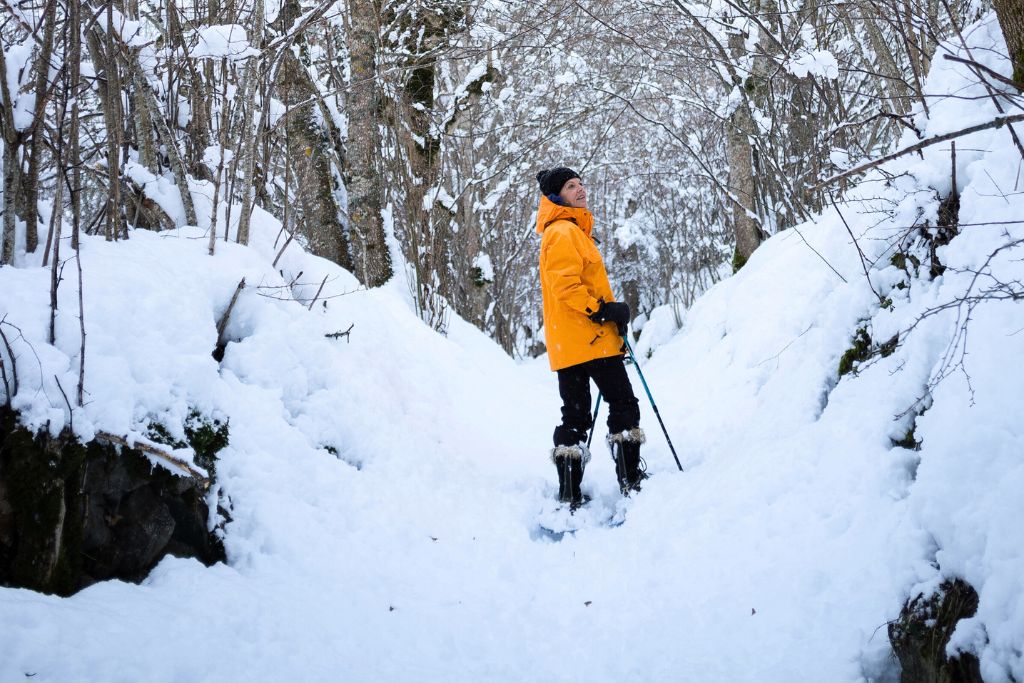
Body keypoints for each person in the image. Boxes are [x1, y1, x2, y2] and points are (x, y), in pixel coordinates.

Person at [535, 166, 646, 509]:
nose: (581, 190)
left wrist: (609, 313)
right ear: (557, 196)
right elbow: (566, 286)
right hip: (591, 339)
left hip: (569, 344)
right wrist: (604, 311)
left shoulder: (564, 232)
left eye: (581, 184)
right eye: (571, 186)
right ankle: (630, 479)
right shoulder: (564, 232)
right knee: (624, 404)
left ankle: (570, 493)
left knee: (576, 417)